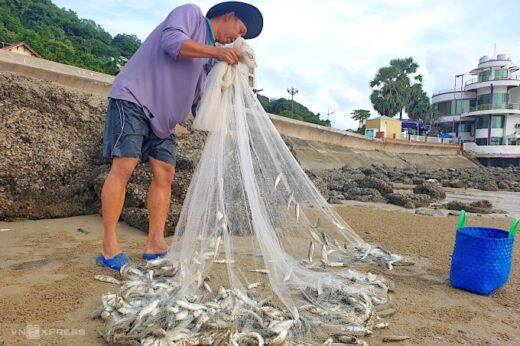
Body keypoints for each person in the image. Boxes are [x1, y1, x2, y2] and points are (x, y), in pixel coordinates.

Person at [96, 1, 263, 270]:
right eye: (239, 30)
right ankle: (109, 247)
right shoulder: (191, 15)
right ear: (229, 16)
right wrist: (217, 54)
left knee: (165, 174)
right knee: (124, 167)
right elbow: (172, 42)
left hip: (165, 120)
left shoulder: (211, 58)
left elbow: (200, 100)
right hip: (134, 98)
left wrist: (225, 129)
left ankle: (155, 243)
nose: (237, 39)